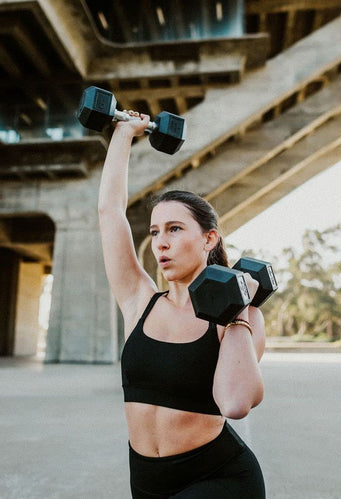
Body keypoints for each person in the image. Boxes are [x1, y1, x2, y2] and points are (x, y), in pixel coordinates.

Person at [98, 110, 266, 498]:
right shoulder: (139, 301)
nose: (161, 242)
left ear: (209, 239)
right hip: (146, 481)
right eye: (155, 231)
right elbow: (110, 215)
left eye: (175, 229)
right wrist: (124, 133)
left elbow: (236, 403)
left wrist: (237, 309)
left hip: (218, 479)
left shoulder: (240, 316)